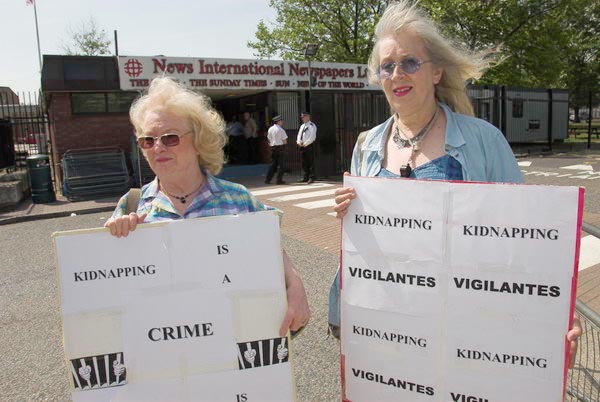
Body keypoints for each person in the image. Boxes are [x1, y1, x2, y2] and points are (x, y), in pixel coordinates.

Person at [329, 0, 581, 364]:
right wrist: (349, 215)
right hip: (389, 319)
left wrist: (556, 316)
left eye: (410, 62)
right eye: (387, 66)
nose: (397, 74)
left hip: (463, 321)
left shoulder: (483, 140)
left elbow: (528, 235)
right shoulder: (367, 145)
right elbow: (364, 243)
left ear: (435, 73)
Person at [104, 77, 309, 337]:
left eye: (170, 138)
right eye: (148, 140)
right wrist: (115, 244)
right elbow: (113, 295)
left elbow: (270, 248)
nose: (157, 148)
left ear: (199, 141)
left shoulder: (237, 199)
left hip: (232, 348)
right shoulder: (131, 204)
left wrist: (296, 285)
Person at [265, 115, 287, 185]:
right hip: (280, 148)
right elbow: (285, 141)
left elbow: (268, 139)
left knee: (273, 164)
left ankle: (267, 179)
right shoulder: (281, 130)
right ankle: (279, 180)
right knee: (281, 165)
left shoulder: (270, 129)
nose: (282, 122)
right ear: (278, 121)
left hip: (272, 148)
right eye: (281, 121)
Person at [296, 112, 317, 184]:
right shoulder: (302, 126)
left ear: (308, 117)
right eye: (302, 117)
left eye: (304, 117)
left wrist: (305, 143)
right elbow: (299, 135)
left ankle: (311, 177)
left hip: (308, 145)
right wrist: (299, 142)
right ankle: (305, 177)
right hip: (302, 146)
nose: (302, 118)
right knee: (304, 162)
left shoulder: (312, 125)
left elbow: (312, 137)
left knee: (310, 162)